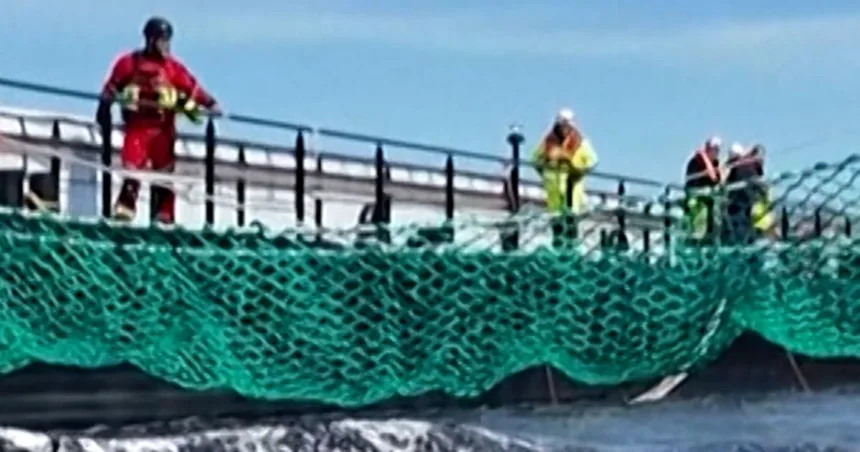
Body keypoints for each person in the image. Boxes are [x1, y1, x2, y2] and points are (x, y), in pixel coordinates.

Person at [97, 16, 220, 224]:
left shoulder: (173, 69)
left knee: (164, 174)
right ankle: (125, 209)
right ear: (150, 40)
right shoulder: (129, 63)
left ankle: (164, 215)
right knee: (133, 169)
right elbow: (111, 87)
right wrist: (103, 109)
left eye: (167, 40)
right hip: (137, 126)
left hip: (163, 128)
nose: (165, 45)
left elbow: (192, 88)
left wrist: (210, 104)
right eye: (162, 40)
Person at [531, 108, 598, 245]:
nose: (564, 129)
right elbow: (535, 160)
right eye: (562, 125)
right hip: (554, 195)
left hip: (572, 190)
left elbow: (592, 161)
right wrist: (545, 172)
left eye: (567, 126)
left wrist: (575, 167)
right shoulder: (547, 143)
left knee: (571, 229)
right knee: (557, 230)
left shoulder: (580, 143)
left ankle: (571, 251)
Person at [684, 136, 722, 243]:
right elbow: (693, 183)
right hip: (697, 200)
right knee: (699, 228)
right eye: (714, 149)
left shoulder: (715, 163)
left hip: (709, 200)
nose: (716, 152)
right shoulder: (696, 162)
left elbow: (716, 180)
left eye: (717, 149)